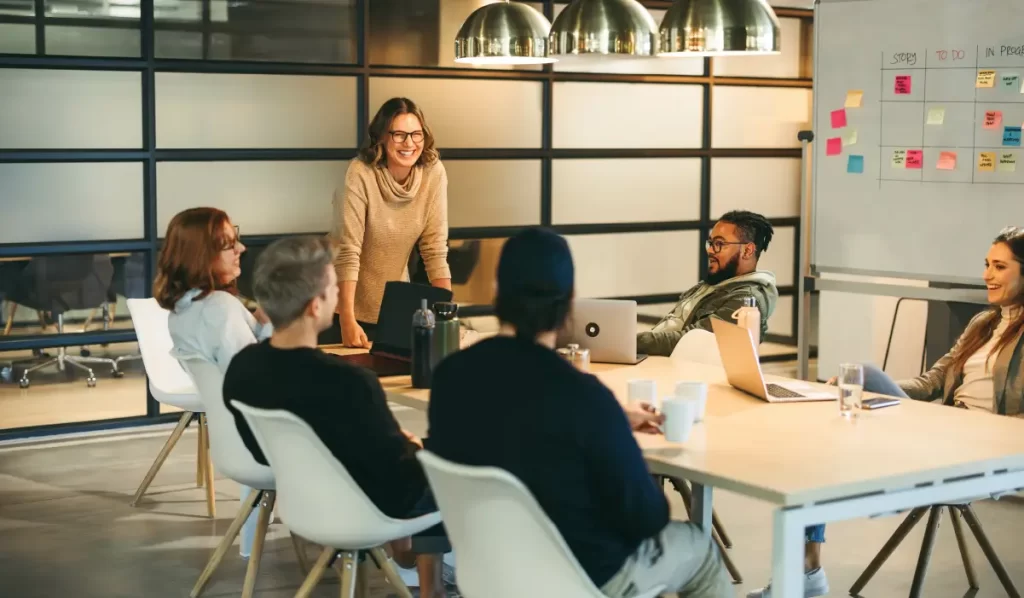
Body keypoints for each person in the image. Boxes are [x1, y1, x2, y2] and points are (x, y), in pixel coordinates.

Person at [427, 227, 732, 598]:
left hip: (491, 573)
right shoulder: (583, 397)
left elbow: (519, 425)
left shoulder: (450, 377)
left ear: (496, 293)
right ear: (569, 303)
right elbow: (647, 516)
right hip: (585, 577)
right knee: (699, 549)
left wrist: (611, 422)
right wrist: (612, 428)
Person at [747, 226, 1024, 598]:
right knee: (857, 379)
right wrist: (864, 388)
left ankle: (859, 494)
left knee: (857, 401)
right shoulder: (983, 323)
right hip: (946, 428)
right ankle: (808, 565)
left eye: (1000, 267)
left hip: (986, 448)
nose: (987, 275)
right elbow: (932, 382)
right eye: (987, 265)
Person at [222, 236, 449, 597]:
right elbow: (402, 478)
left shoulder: (242, 369)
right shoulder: (349, 381)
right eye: (333, 288)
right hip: (367, 508)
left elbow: (263, 452)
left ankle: (411, 561)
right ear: (315, 306)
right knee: (444, 465)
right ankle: (431, 586)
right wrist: (415, 448)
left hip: (304, 506)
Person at [154, 207, 268, 559]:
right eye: (229, 244)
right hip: (265, 442)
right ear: (201, 255)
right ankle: (405, 555)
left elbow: (242, 369)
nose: (242, 249)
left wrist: (261, 321)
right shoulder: (220, 307)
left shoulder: (184, 311)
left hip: (234, 444)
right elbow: (260, 384)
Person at [323, 97, 452, 348]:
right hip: (339, 307)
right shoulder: (361, 172)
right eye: (399, 134)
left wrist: (447, 316)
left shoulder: (433, 173)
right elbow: (348, 251)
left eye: (416, 134)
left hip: (391, 308)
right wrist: (347, 320)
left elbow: (435, 250)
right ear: (381, 136)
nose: (409, 143)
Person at [638, 210, 778, 357]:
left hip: (677, 368)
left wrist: (634, 342)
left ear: (747, 250)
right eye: (711, 243)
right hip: (654, 358)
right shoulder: (713, 285)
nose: (710, 250)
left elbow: (689, 341)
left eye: (719, 244)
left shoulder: (746, 300)